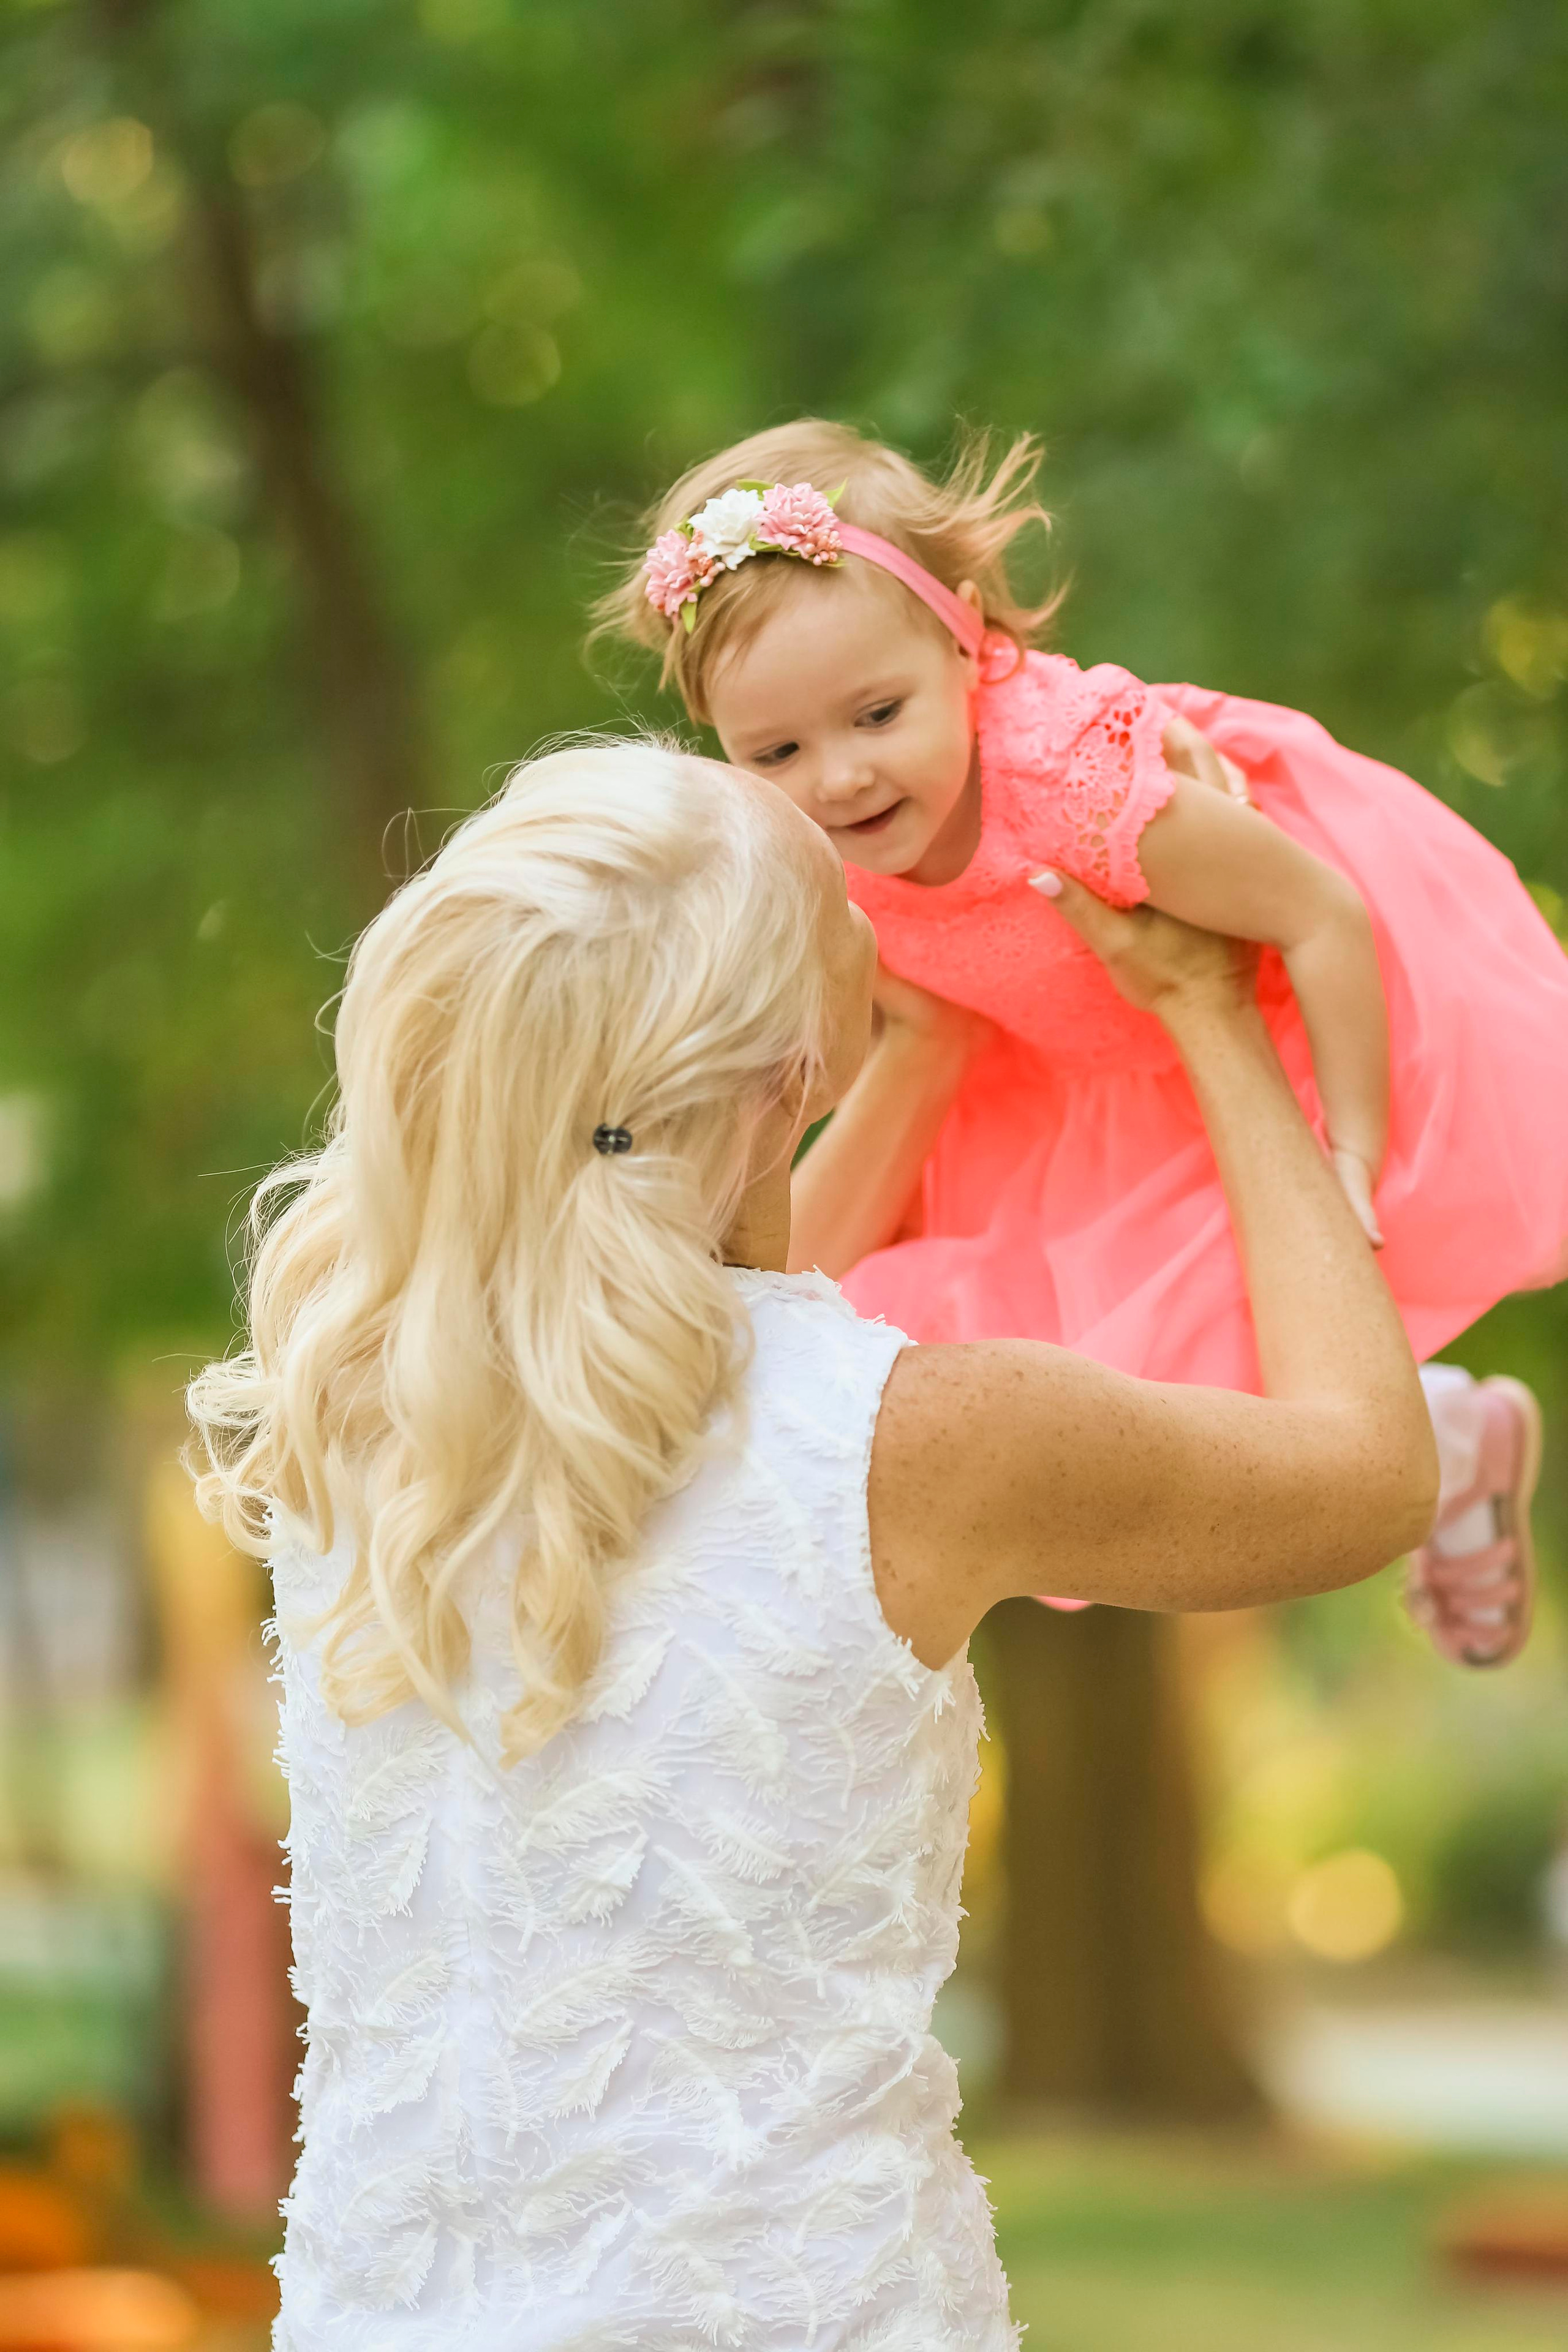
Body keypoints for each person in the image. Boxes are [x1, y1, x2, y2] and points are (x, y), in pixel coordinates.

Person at [188, 742, 1433, 2349]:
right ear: (789, 1079)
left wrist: (910, 1063)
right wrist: (1214, 1015)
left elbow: (698, 1343)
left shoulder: (355, 1405)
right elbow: (1367, 1472)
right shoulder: (927, 1441)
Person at [596, 422, 1566, 1667]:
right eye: (775, 751)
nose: (837, 779)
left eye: (877, 714)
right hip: (1068, 1063)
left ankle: (1433, 1432)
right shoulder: (800, 848)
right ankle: (1454, 1431)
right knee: (1080, 1362)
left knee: (1253, 1312)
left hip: (1283, 1018)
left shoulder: (1075, 790)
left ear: (964, 641)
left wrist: (1357, 1155)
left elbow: (1320, 912)